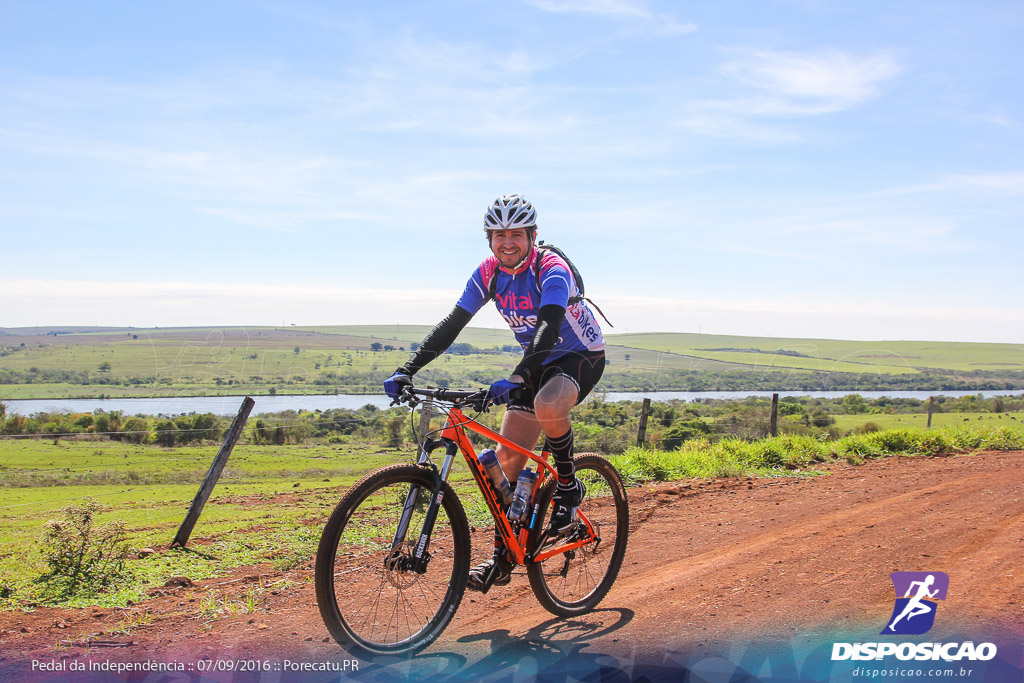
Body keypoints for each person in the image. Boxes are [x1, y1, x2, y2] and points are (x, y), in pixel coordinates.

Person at [383, 193, 606, 592]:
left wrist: (519, 377)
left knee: (548, 402)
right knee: (504, 468)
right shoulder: (488, 273)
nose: (507, 242)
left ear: (532, 236)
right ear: (489, 239)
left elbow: (549, 326)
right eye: (499, 234)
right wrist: (407, 369)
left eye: (516, 234)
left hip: (578, 355)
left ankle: (569, 486)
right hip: (535, 362)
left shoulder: (550, 268)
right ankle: (503, 558)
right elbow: (453, 324)